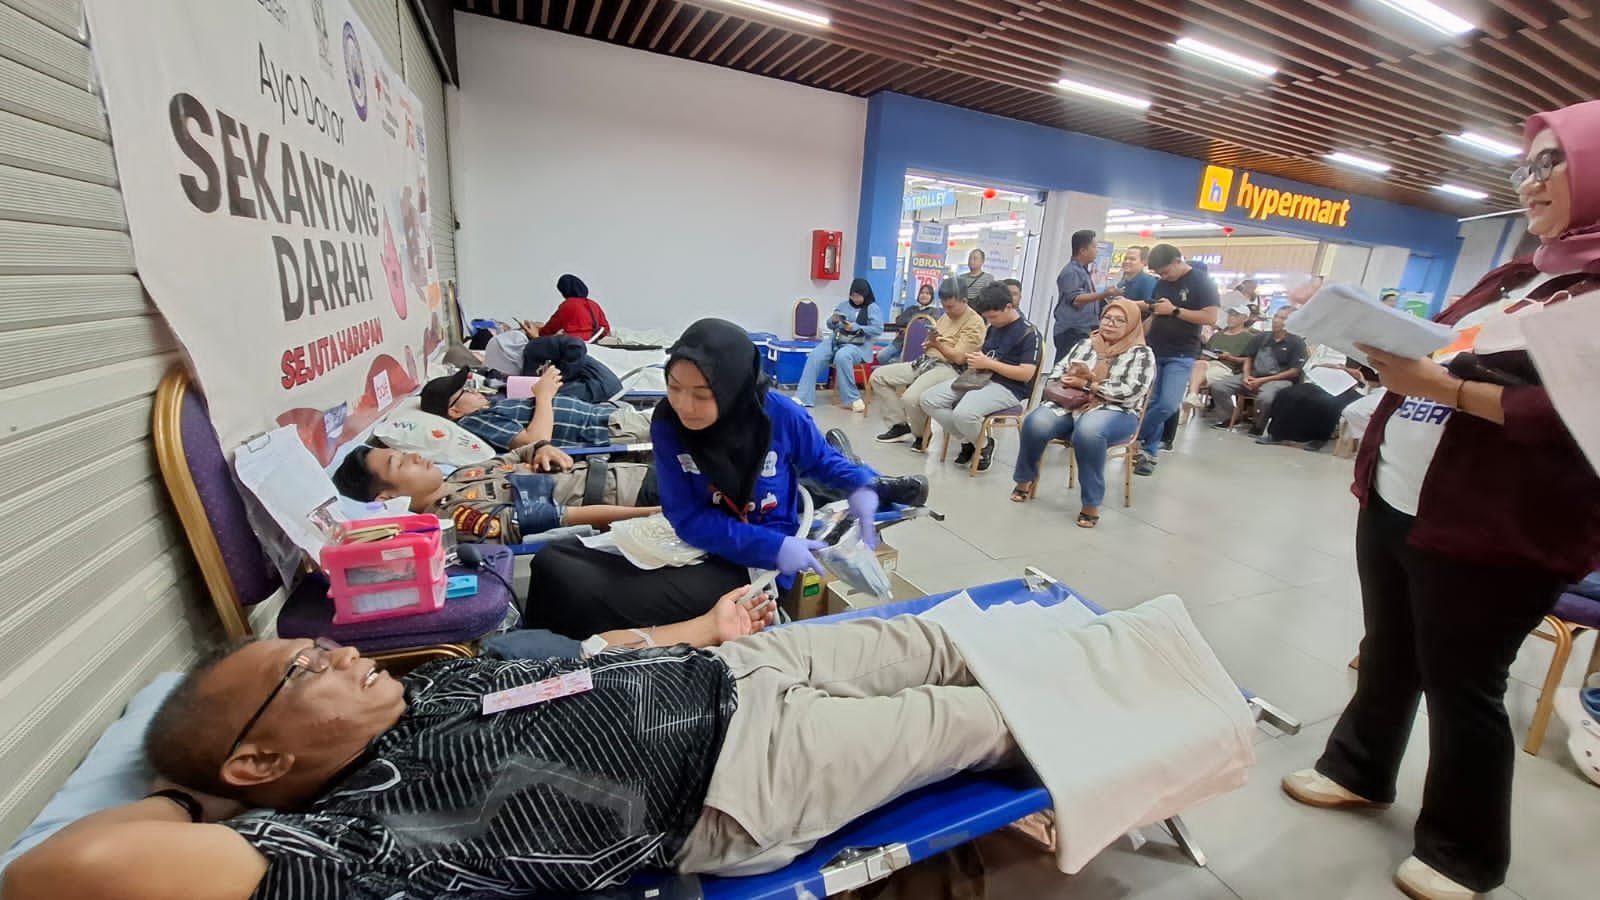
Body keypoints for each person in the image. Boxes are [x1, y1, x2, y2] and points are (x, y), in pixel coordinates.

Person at [2, 613, 1019, 898]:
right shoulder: (353, 841)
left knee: (951, 638)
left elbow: (580, 665)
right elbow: (65, 869)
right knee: (996, 714)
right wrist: (191, 799)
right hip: (742, 771)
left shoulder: (427, 692)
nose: (341, 649)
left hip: (742, 667)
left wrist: (703, 631)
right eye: (306, 666)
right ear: (258, 764)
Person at [1281, 100, 1600, 900]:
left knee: (1465, 684)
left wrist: (1442, 388)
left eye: (1553, 163)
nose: (1531, 181)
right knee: (1389, 647)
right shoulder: (1517, 275)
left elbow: (1565, 416)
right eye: (1526, 165)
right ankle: (1358, 768)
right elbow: (1436, 352)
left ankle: (1464, 851)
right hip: (1400, 494)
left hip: (1499, 527)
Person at [521, 319, 884, 638]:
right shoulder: (668, 423)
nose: (684, 405)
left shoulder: (781, 417)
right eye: (674, 387)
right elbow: (686, 517)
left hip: (756, 564)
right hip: (700, 540)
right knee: (554, 563)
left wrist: (862, 484)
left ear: (733, 388)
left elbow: (821, 461)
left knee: (585, 593)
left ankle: (575, 663)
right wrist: (773, 546)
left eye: (702, 394)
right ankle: (531, 657)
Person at [1010, 298, 1153, 527]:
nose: (1110, 324)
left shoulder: (1141, 354)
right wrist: (1068, 379)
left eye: (1119, 320)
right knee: (1035, 422)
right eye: (1107, 318)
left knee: (1088, 432)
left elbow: (1131, 392)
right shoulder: (1086, 344)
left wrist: (1089, 385)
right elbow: (1057, 373)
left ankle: (1091, 502)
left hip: (1117, 411)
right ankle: (1025, 478)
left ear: (1133, 325)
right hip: (1070, 405)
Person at [331, 444, 659, 542]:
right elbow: (564, 519)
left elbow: (518, 454)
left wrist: (543, 450)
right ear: (386, 497)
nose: (415, 456)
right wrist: (652, 515)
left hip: (630, 474)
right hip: (631, 500)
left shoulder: (459, 477)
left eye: (404, 453)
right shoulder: (456, 517)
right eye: (399, 463)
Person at [920, 282, 1042, 473]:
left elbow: (1026, 373)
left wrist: (989, 364)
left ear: (1009, 307)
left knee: (964, 414)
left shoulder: (1029, 333)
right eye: (988, 318)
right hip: (978, 378)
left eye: (993, 317)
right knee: (928, 399)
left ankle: (983, 444)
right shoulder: (993, 327)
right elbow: (985, 355)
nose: (991, 322)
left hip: (1008, 387)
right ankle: (971, 440)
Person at [1130, 244, 1219, 476]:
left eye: (1166, 272)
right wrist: (1138, 334)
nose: (1164, 277)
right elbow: (1156, 310)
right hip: (1155, 349)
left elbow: (1210, 317)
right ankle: (1148, 454)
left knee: (1167, 404)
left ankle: (1132, 434)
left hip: (1181, 353)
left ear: (1178, 261)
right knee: (1152, 402)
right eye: (1159, 274)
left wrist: (1175, 311)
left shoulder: (1202, 282)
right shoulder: (1163, 283)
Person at [871, 276, 988, 450]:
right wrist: (930, 342)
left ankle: (920, 435)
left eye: (951, 307)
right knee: (878, 376)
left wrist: (936, 344)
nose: (947, 311)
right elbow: (934, 339)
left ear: (964, 301)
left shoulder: (975, 323)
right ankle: (899, 426)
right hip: (926, 362)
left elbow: (958, 358)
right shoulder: (946, 316)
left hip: (950, 368)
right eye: (944, 306)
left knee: (911, 398)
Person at [419, 368, 650, 453]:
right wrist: (544, 393)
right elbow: (537, 441)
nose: (475, 391)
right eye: (466, 391)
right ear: (455, 411)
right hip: (608, 430)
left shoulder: (487, 410)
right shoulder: (474, 421)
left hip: (607, 418)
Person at [1258, 342, 1376, 449]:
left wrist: (1345, 369)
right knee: (1288, 394)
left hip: (1347, 387)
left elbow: (1366, 378)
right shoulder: (1325, 346)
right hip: (1319, 381)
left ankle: (1318, 438)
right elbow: (1309, 366)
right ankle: (1276, 434)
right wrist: (1326, 366)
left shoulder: (1360, 351)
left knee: (1326, 402)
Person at [1209, 308, 1307, 432]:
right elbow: (1248, 359)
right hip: (1254, 375)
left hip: (1279, 380)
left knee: (1266, 398)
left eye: (1283, 318)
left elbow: (1294, 371)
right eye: (1276, 316)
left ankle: (1258, 425)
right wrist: (1246, 376)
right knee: (1219, 386)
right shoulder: (1261, 337)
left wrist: (1262, 380)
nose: (1276, 320)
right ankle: (1229, 417)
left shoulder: (1297, 343)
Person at [796, 278, 885, 413]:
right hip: (837, 340)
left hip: (858, 345)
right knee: (816, 354)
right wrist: (833, 320)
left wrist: (856, 327)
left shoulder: (873, 308)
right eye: (853, 296)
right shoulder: (843, 305)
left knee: (842, 356)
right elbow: (830, 325)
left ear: (865, 294)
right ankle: (803, 396)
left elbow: (877, 329)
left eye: (858, 296)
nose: (855, 299)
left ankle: (853, 399)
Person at [1052, 229, 1122, 365]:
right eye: (1094, 247)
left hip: (1083, 330)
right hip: (1072, 331)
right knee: (1064, 367)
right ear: (1083, 250)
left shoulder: (1083, 271)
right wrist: (1104, 294)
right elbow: (1076, 300)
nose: (1097, 251)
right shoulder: (1071, 272)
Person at [1183, 304, 1254, 409]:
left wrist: (1230, 358)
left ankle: (1192, 396)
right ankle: (1192, 396)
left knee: (1194, 377)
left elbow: (1249, 360)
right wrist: (1206, 356)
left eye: (1236, 315)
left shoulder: (1249, 338)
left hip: (1227, 368)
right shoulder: (1218, 335)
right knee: (1198, 365)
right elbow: (1206, 352)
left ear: (1245, 318)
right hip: (1208, 364)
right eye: (1230, 314)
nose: (1231, 317)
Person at [524, 273, 611, 342]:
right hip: (591, 340)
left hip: (572, 341)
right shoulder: (594, 304)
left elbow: (551, 328)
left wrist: (536, 330)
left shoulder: (568, 304)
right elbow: (605, 328)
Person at [877, 282, 938, 365]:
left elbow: (928, 325)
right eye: (922, 293)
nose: (924, 295)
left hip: (917, 344)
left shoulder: (934, 311)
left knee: (901, 362)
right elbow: (899, 320)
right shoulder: (912, 308)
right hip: (900, 341)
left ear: (931, 296)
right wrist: (915, 321)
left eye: (927, 293)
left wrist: (910, 328)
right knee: (881, 356)